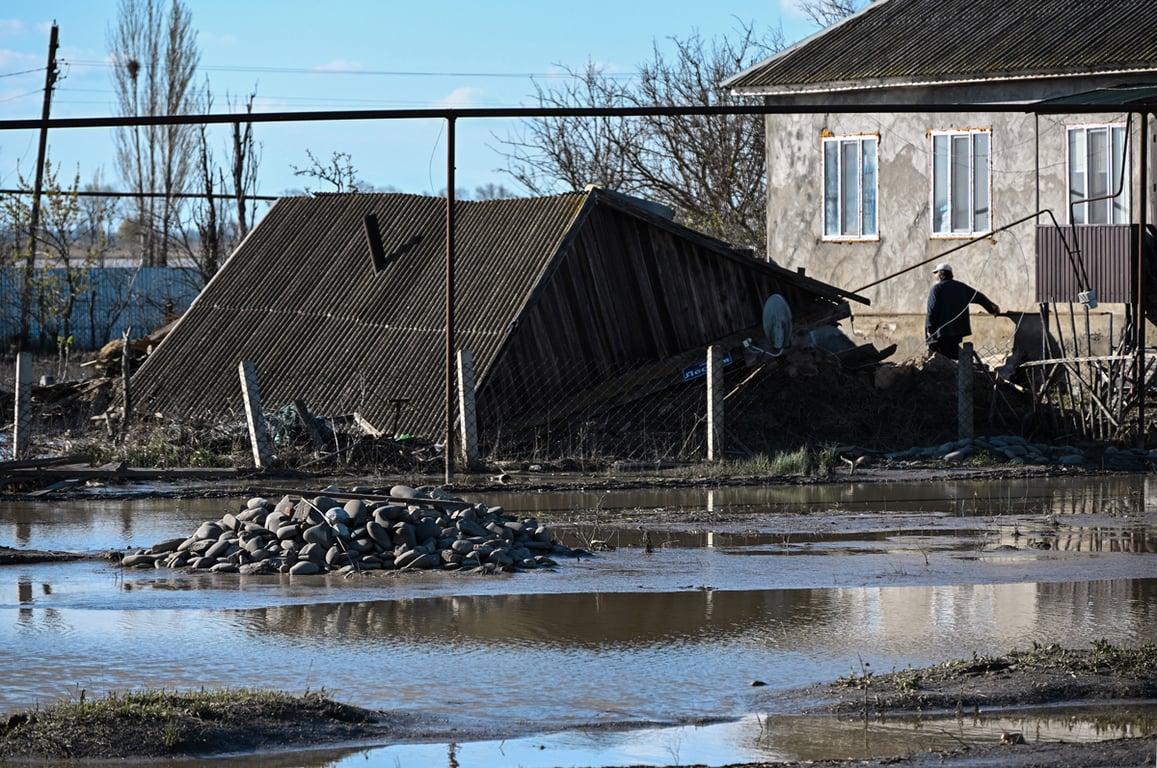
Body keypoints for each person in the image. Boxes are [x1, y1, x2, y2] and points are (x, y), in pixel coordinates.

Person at [925, 263, 1000, 360]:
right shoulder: (962, 287)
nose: (935, 276)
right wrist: (993, 308)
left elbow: (932, 310)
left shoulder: (937, 288)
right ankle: (960, 373)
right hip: (957, 331)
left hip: (940, 333)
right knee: (954, 355)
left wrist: (930, 329)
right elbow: (979, 297)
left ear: (940, 274)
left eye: (935, 273)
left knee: (940, 359)